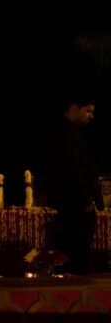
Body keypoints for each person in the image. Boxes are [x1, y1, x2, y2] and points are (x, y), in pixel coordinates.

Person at [42, 97, 100, 274]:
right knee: (75, 254)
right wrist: (85, 200)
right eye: (88, 111)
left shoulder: (68, 131)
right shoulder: (66, 132)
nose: (91, 116)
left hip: (73, 203)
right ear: (74, 108)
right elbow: (71, 170)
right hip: (74, 206)